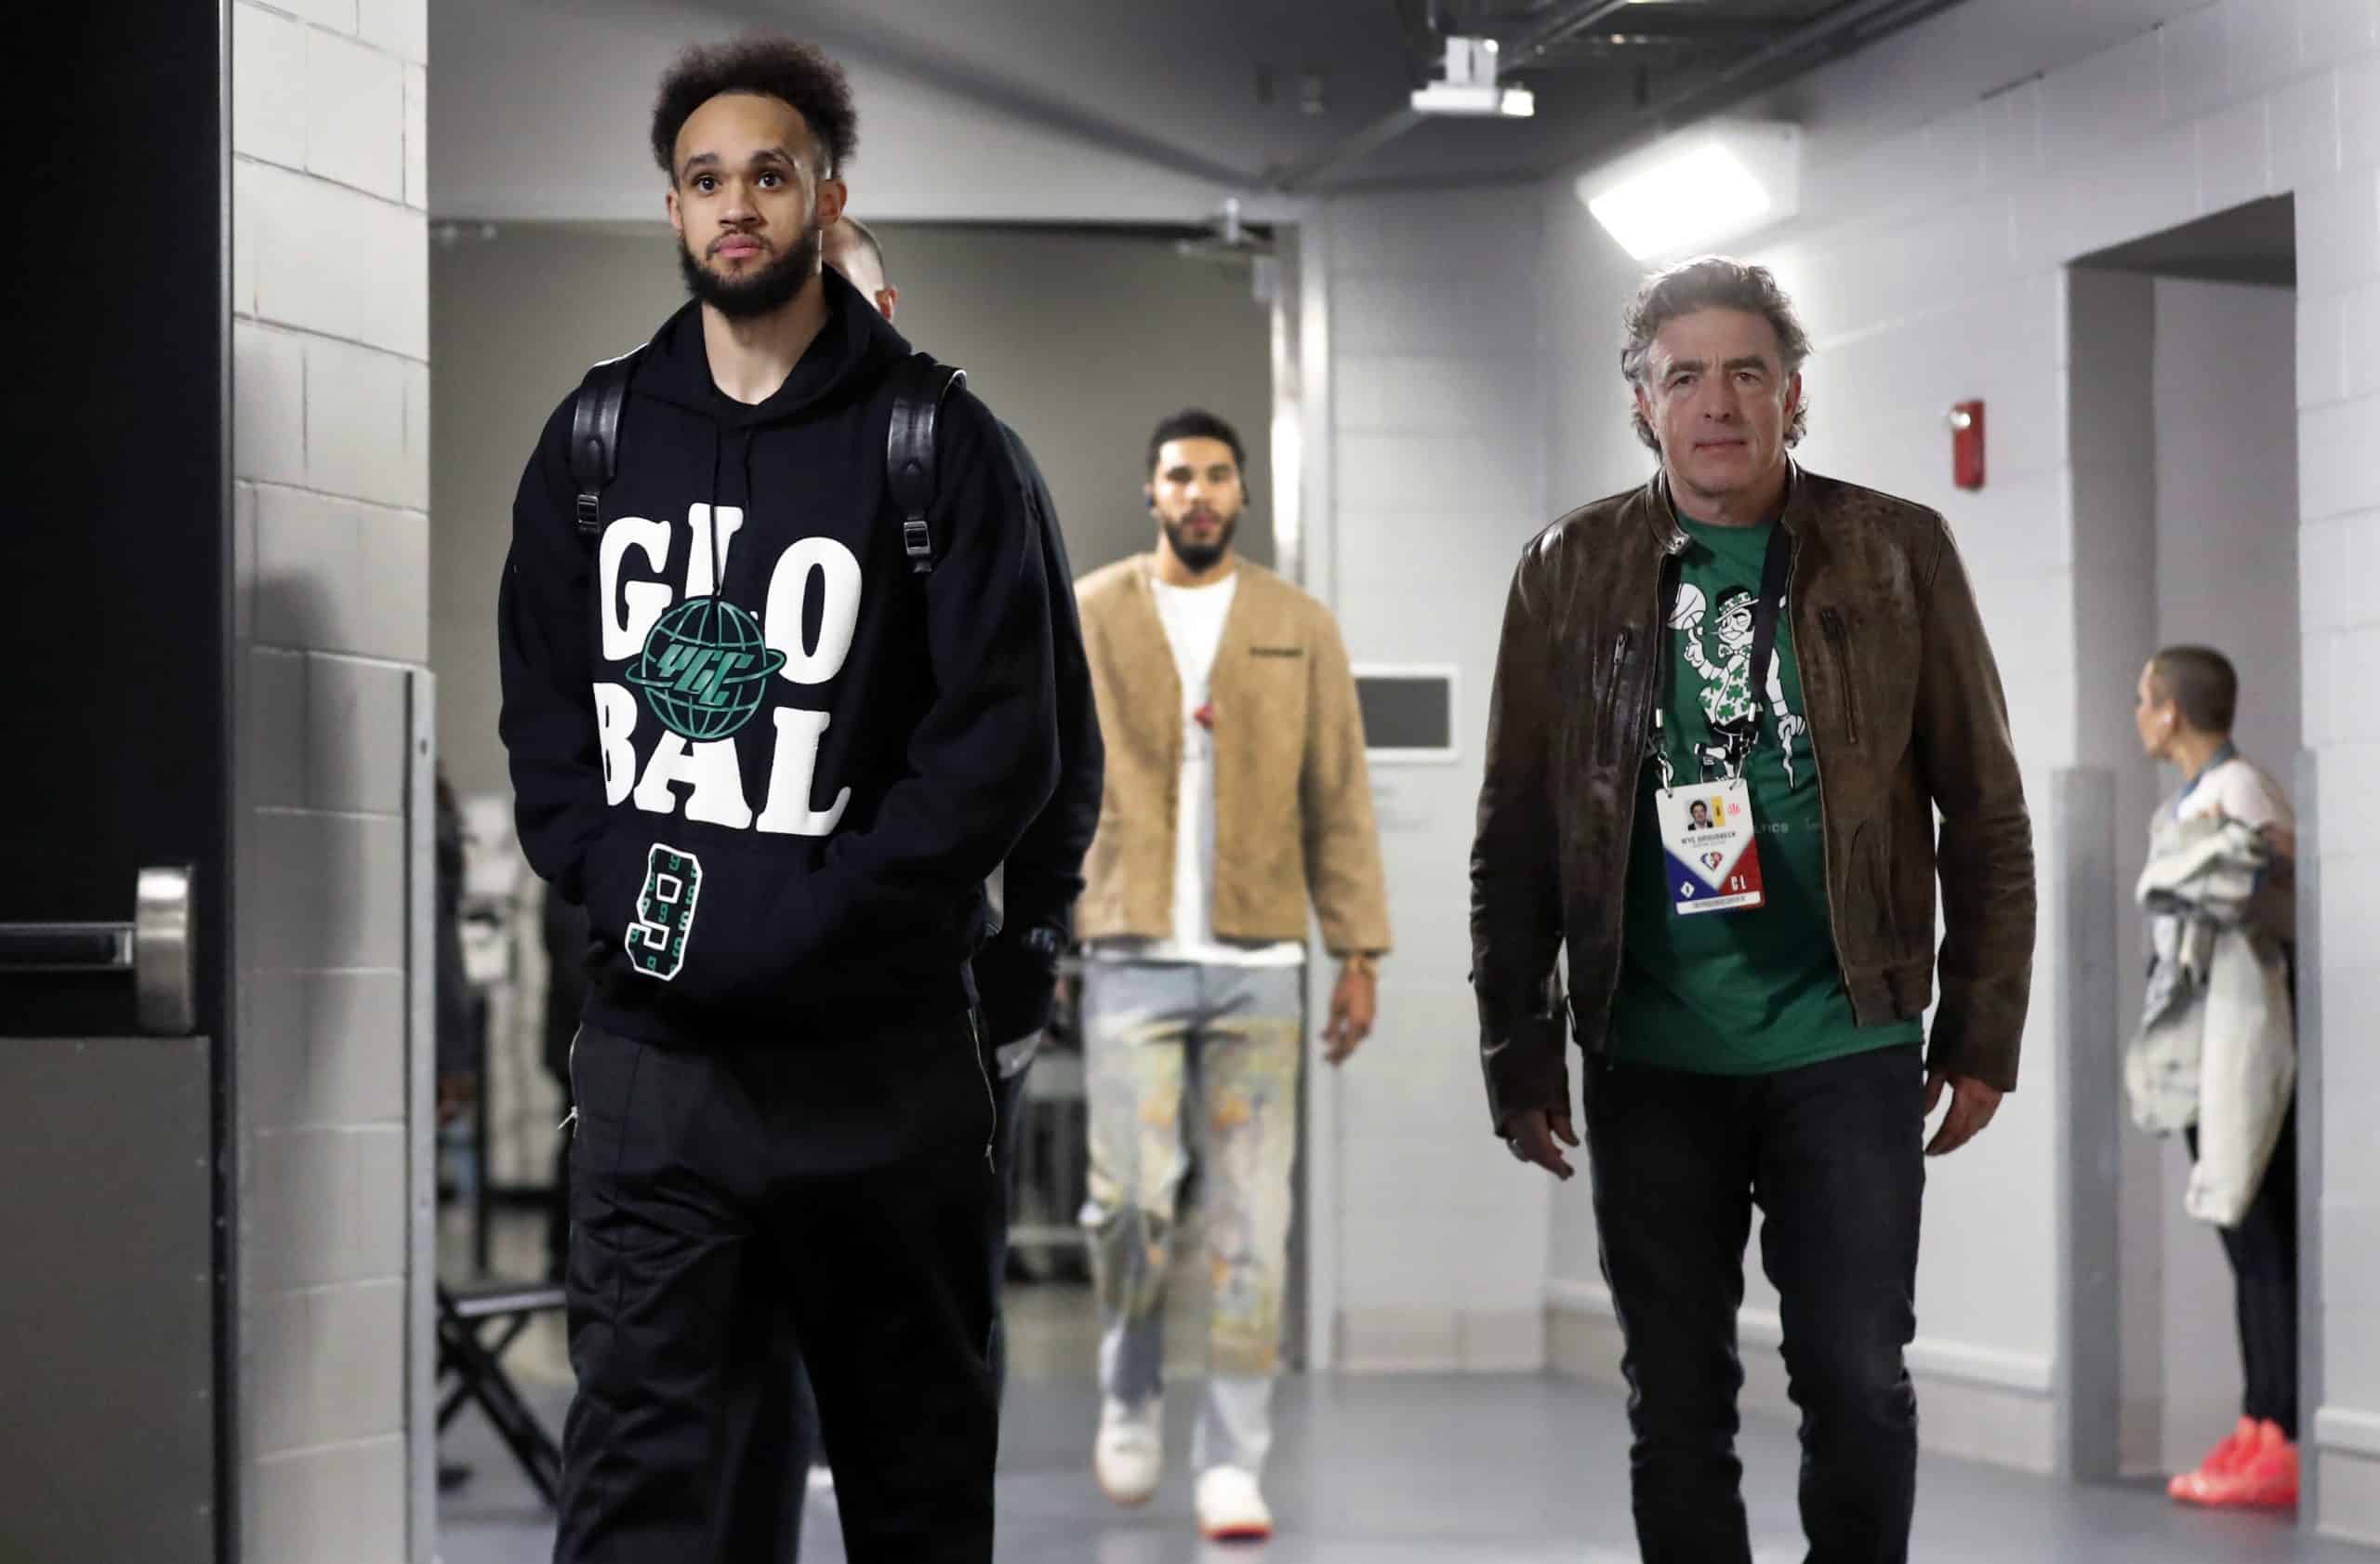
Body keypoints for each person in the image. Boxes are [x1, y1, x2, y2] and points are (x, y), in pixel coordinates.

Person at [495, 34, 1058, 1564]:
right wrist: (634, 894)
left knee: (916, 1483)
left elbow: (999, 749)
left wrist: (813, 919)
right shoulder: (597, 439)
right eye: (705, 179)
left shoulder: (935, 442)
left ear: (825, 196)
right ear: (672, 209)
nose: (736, 204)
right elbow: (547, 725)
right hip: (659, 1069)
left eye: (769, 174)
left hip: (881, 1076)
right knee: (641, 1485)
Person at [1472, 256, 2035, 1564]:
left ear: (1795, 394)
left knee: (1857, 1378)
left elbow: (1987, 810)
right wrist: (1517, 1040)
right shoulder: (1565, 569)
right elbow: (1515, 829)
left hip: (1847, 1036)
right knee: (1675, 1401)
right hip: (1651, 1046)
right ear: (1641, 403)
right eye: (1685, 376)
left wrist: (1983, 1027)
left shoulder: (1898, 551)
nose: (1717, 402)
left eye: (1746, 373)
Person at [1072, 408, 1392, 1542]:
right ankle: (1128, 1389)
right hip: (1128, 953)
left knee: (1253, 1225)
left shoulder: (1296, 624)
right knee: (1131, 1209)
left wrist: (1356, 949)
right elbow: (1044, 772)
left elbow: (1339, 791)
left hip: (1259, 963)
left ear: (1241, 494)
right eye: (1177, 476)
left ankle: (1232, 1458)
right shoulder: (1093, 610)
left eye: (1215, 476)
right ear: (1150, 491)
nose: (1197, 493)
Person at [2130, 645, 2300, 1509]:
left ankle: (2283, 1432)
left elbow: (2271, 890)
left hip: (2248, 1037)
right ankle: (2256, 1423)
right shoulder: (2187, 803)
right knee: (2240, 1239)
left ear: (2171, 713)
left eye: (2143, 699)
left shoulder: (2244, 793)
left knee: (2265, 1240)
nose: (2137, 714)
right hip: (2201, 1043)